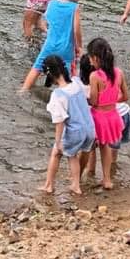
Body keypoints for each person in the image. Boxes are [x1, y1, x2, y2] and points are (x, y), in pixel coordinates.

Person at [38, 54, 95, 196]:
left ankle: (49, 185)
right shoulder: (76, 83)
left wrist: (58, 142)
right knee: (73, 155)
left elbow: (60, 122)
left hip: (75, 131)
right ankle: (76, 184)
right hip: (89, 128)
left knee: (56, 154)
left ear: (49, 74)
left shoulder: (58, 95)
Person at [79, 38, 129, 190]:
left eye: (90, 57)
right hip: (112, 115)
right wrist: (111, 101)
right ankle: (107, 180)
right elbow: (125, 97)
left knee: (89, 147)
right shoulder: (118, 72)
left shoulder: (95, 76)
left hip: (98, 117)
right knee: (105, 147)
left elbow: (93, 101)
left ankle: (82, 175)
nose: (89, 61)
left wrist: (82, 100)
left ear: (95, 58)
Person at [20, 0, 84, 90]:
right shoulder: (75, 8)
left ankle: (23, 90)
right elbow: (76, 30)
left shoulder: (52, 3)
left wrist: (48, 31)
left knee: (37, 67)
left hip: (49, 45)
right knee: (67, 74)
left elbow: (45, 22)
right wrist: (79, 47)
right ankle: (68, 96)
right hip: (66, 48)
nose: (78, 0)